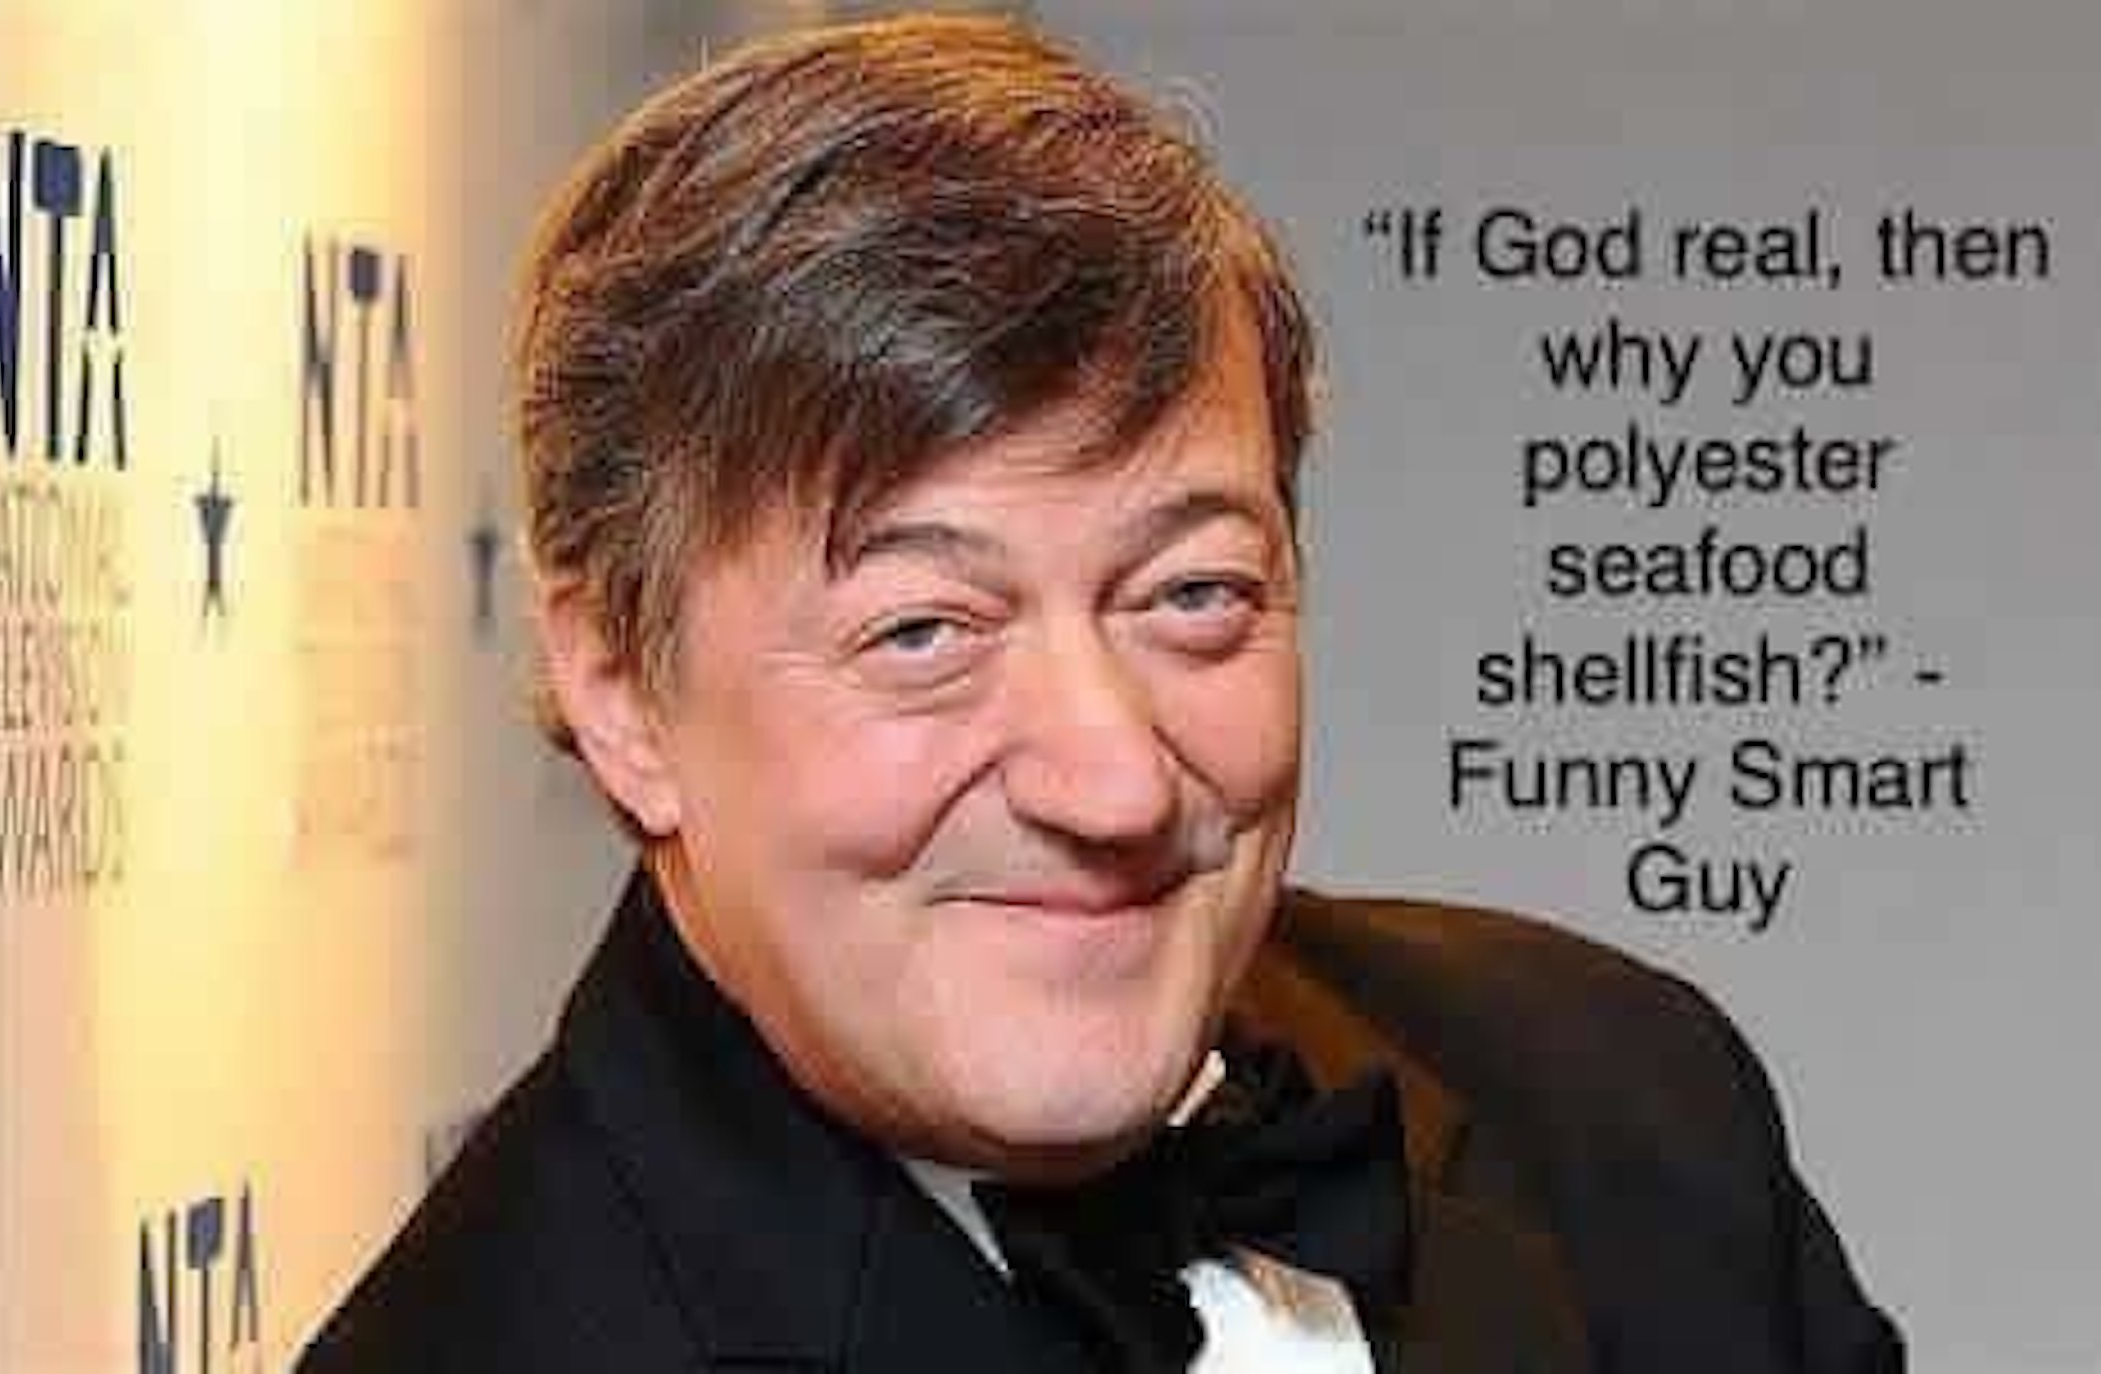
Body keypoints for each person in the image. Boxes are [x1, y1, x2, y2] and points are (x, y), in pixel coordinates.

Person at [297, 15, 1902, 1373]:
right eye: (925, 630)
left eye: (1192, 595)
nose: (1114, 780)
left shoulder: (1626, 1097)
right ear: (621, 688)